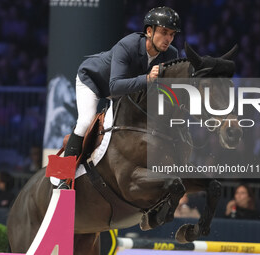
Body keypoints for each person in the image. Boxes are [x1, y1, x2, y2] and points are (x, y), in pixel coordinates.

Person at [60, 6, 181, 189]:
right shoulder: (128, 45)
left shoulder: (171, 54)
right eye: (164, 32)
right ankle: (63, 177)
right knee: (85, 121)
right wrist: (148, 79)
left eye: (172, 34)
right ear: (149, 31)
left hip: (127, 89)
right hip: (94, 81)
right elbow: (115, 87)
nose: (168, 39)